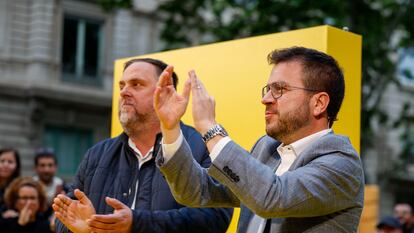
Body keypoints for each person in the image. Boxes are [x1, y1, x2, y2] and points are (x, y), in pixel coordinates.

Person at [154, 46, 365, 232]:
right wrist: (170, 129)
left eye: (280, 90)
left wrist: (210, 129)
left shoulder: (342, 163)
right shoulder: (266, 148)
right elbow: (198, 191)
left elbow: (274, 198)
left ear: (319, 103)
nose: (265, 99)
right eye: (268, 89)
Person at [52, 58, 232, 233]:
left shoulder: (202, 146)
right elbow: (65, 216)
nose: (124, 92)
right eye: (122, 86)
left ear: (166, 92)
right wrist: (89, 229)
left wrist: (137, 224)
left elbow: (215, 217)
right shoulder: (96, 155)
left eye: (136, 84)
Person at [0, 148, 21, 213]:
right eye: (2, 161)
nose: (5, 165)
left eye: (10, 162)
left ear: (17, 166)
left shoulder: (20, 187)